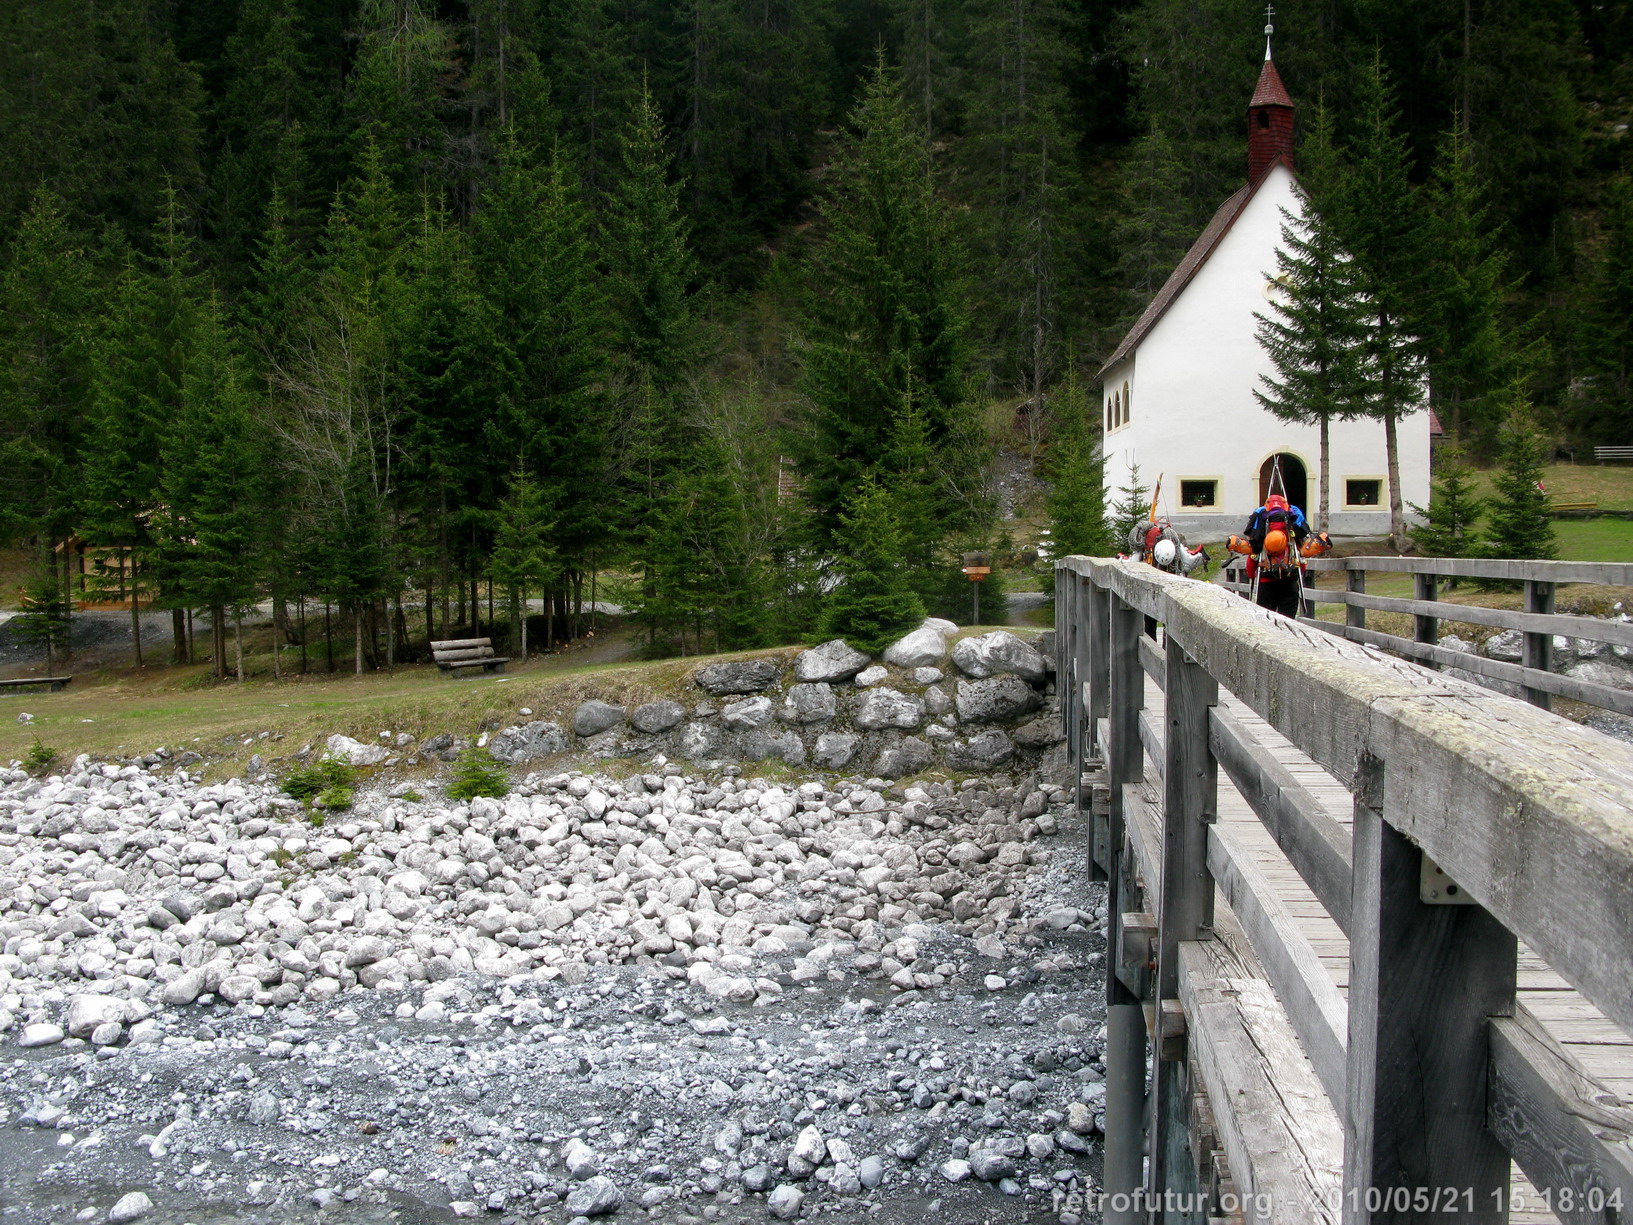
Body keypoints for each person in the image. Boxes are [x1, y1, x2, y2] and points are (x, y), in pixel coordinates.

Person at [1226, 493, 1331, 617]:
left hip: (1265, 583)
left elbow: (1252, 562)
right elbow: (1301, 559)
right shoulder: (1291, 531)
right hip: (1289, 581)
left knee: (1266, 622)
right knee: (1287, 622)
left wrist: (1251, 573)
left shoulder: (1262, 529)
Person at [1124, 518, 1209, 576]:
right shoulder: (1173, 541)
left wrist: (1121, 558)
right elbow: (1188, 562)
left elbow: (1132, 563)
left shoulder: (1148, 538)